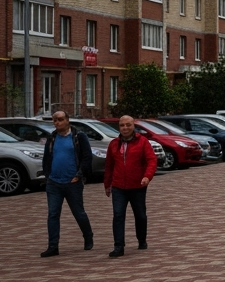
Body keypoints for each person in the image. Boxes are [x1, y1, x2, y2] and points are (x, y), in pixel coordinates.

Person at [39, 110, 95, 258]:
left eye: (60, 119)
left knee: (78, 212)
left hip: (73, 183)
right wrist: (48, 175)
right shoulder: (52, 138)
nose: (57, 122)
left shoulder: (78, 137)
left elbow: (87, 157)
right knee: (53, 214)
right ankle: (53, 246)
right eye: (55, 120)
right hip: (54, 183)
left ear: (67, 120)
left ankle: (88, 236)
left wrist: (79, 175)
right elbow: (46, 158)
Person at [102, 115, 156, 258]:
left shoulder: (142, 142)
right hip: (118, 186)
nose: (125, 128)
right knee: (118, 215)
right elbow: (109, 166)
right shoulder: (114, 144)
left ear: (133, 126)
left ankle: (142, 239)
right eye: (122, 125)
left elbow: (151, 160)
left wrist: (147, 176)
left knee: (140, 215)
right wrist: (107, 184)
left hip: (137, 186)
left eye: (128, 125)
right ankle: (118, 246)